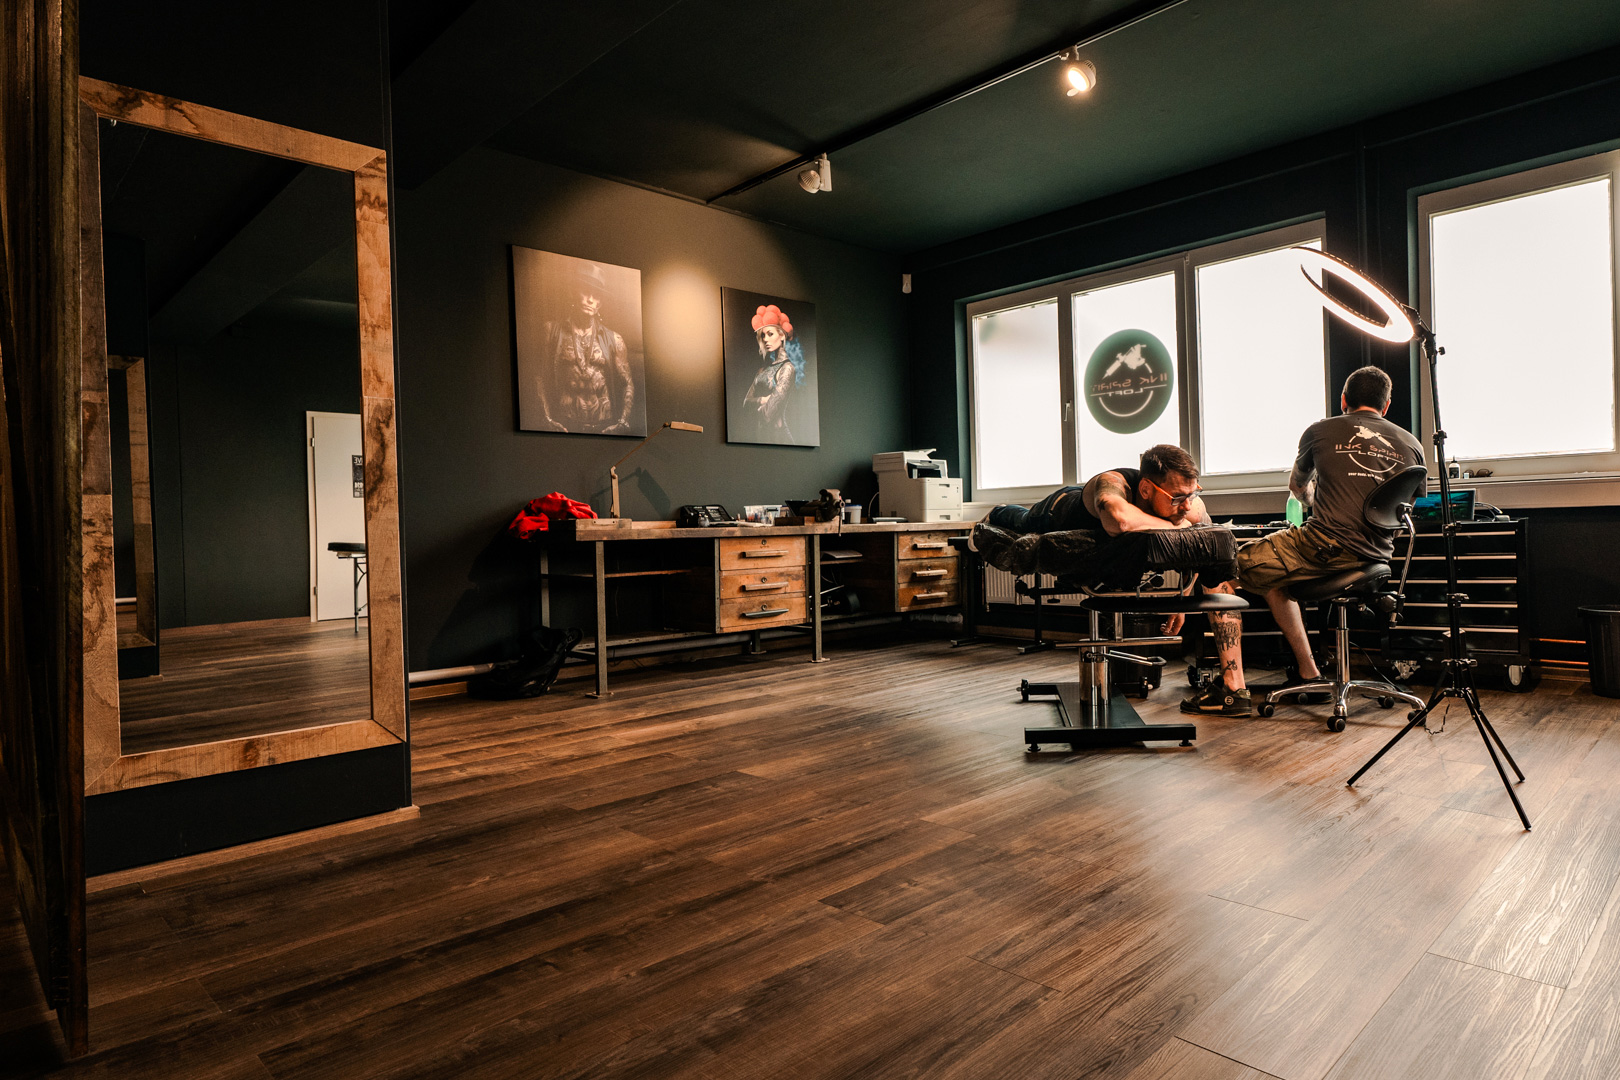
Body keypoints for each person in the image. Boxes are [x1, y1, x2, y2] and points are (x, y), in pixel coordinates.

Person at [1182, 365, 1425, 717]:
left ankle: (1232, 691)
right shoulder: (1413, 445)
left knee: (1219, 569)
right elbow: (1405, 508)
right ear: (1386, 406)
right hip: (1377, 557)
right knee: (1275, 581)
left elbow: (1298, 487)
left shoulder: (1320, 431)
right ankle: (1309, 674)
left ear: (1343, 400)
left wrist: (1315, 500)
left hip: (1323, 547)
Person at [984, 443, 1210, 633]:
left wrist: (1182, 600)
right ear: (1145, 490)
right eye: (1177, 498)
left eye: (1192, 495)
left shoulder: (1186, 503)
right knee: (1023, 521)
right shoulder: (1112, 482)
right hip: (1058, 510)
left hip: (1093, 509)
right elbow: (1119, 523)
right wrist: (1176, 528)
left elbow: (1201, 545)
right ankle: (997, 511)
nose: (1186, 506)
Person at [534, 262, 635, 435]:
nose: (590, 299)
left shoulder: (615, 339)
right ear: (573, 293)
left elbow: (627, 383)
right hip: (566, 426)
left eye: (597, 296)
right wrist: (547, 419)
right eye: (586, 291)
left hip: (604, 427)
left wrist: (622, 422)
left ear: (600, 303)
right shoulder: (552, 331)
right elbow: (540, 378)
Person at [740, 304, 806, 442]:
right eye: (763, 335)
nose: (765, 339)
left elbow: (767, 414)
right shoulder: (762, 370)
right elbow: (745, 404)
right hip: (760, 439)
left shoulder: (787, 368)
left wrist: (756, 404)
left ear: (781, 335)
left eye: (770, 334)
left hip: (780, 439)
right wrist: (764, 400)